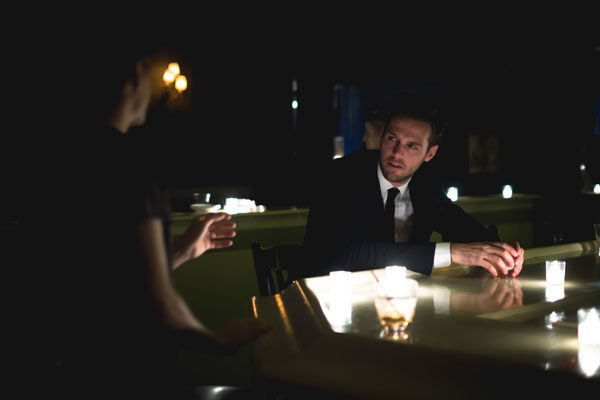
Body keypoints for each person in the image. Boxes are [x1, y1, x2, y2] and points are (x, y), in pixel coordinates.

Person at [50, 37, 270, 398]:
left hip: (72, 367)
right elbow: (162, 304)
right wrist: (217, 339)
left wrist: (183, 248)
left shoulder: (65, 157)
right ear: (134, 75)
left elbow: (112, 275)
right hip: (129, 368)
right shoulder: (128, 167)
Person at [303, 97, 524, 279]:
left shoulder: (425, 182)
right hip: (323, 298)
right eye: (392, 139)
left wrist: (503, 250)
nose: (397, 153)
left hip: (399, 297)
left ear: (430, 154)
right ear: (382, 136)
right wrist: (451, 252)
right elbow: (345, 252)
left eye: (412, 146)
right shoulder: (341, 175)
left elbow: (463, 227)